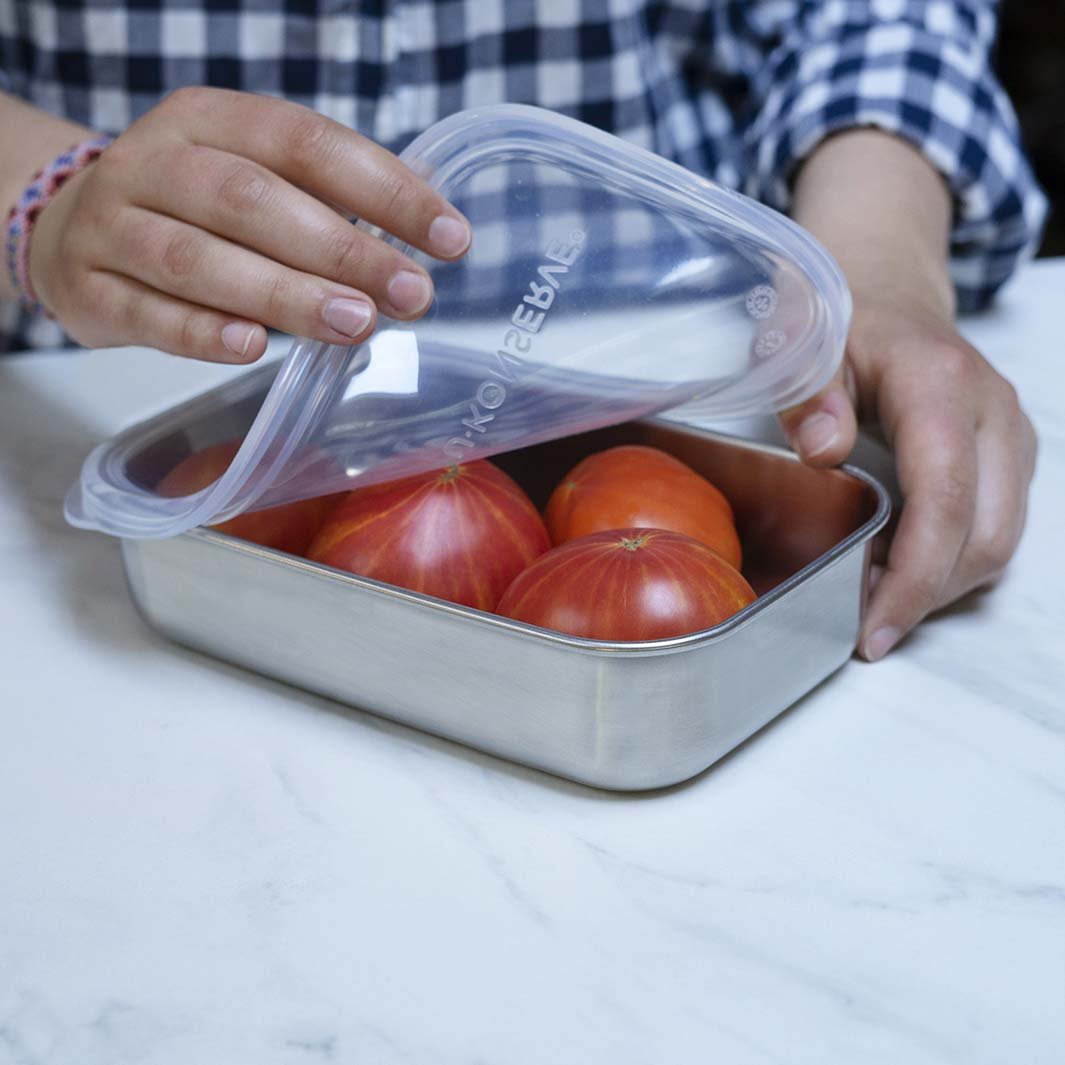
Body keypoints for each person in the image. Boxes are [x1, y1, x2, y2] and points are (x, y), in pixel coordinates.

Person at [0, 1, 1044, 661]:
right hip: (120, 365)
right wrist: (42, 201)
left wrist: (874, 267)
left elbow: (876, 18)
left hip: (681, 353)